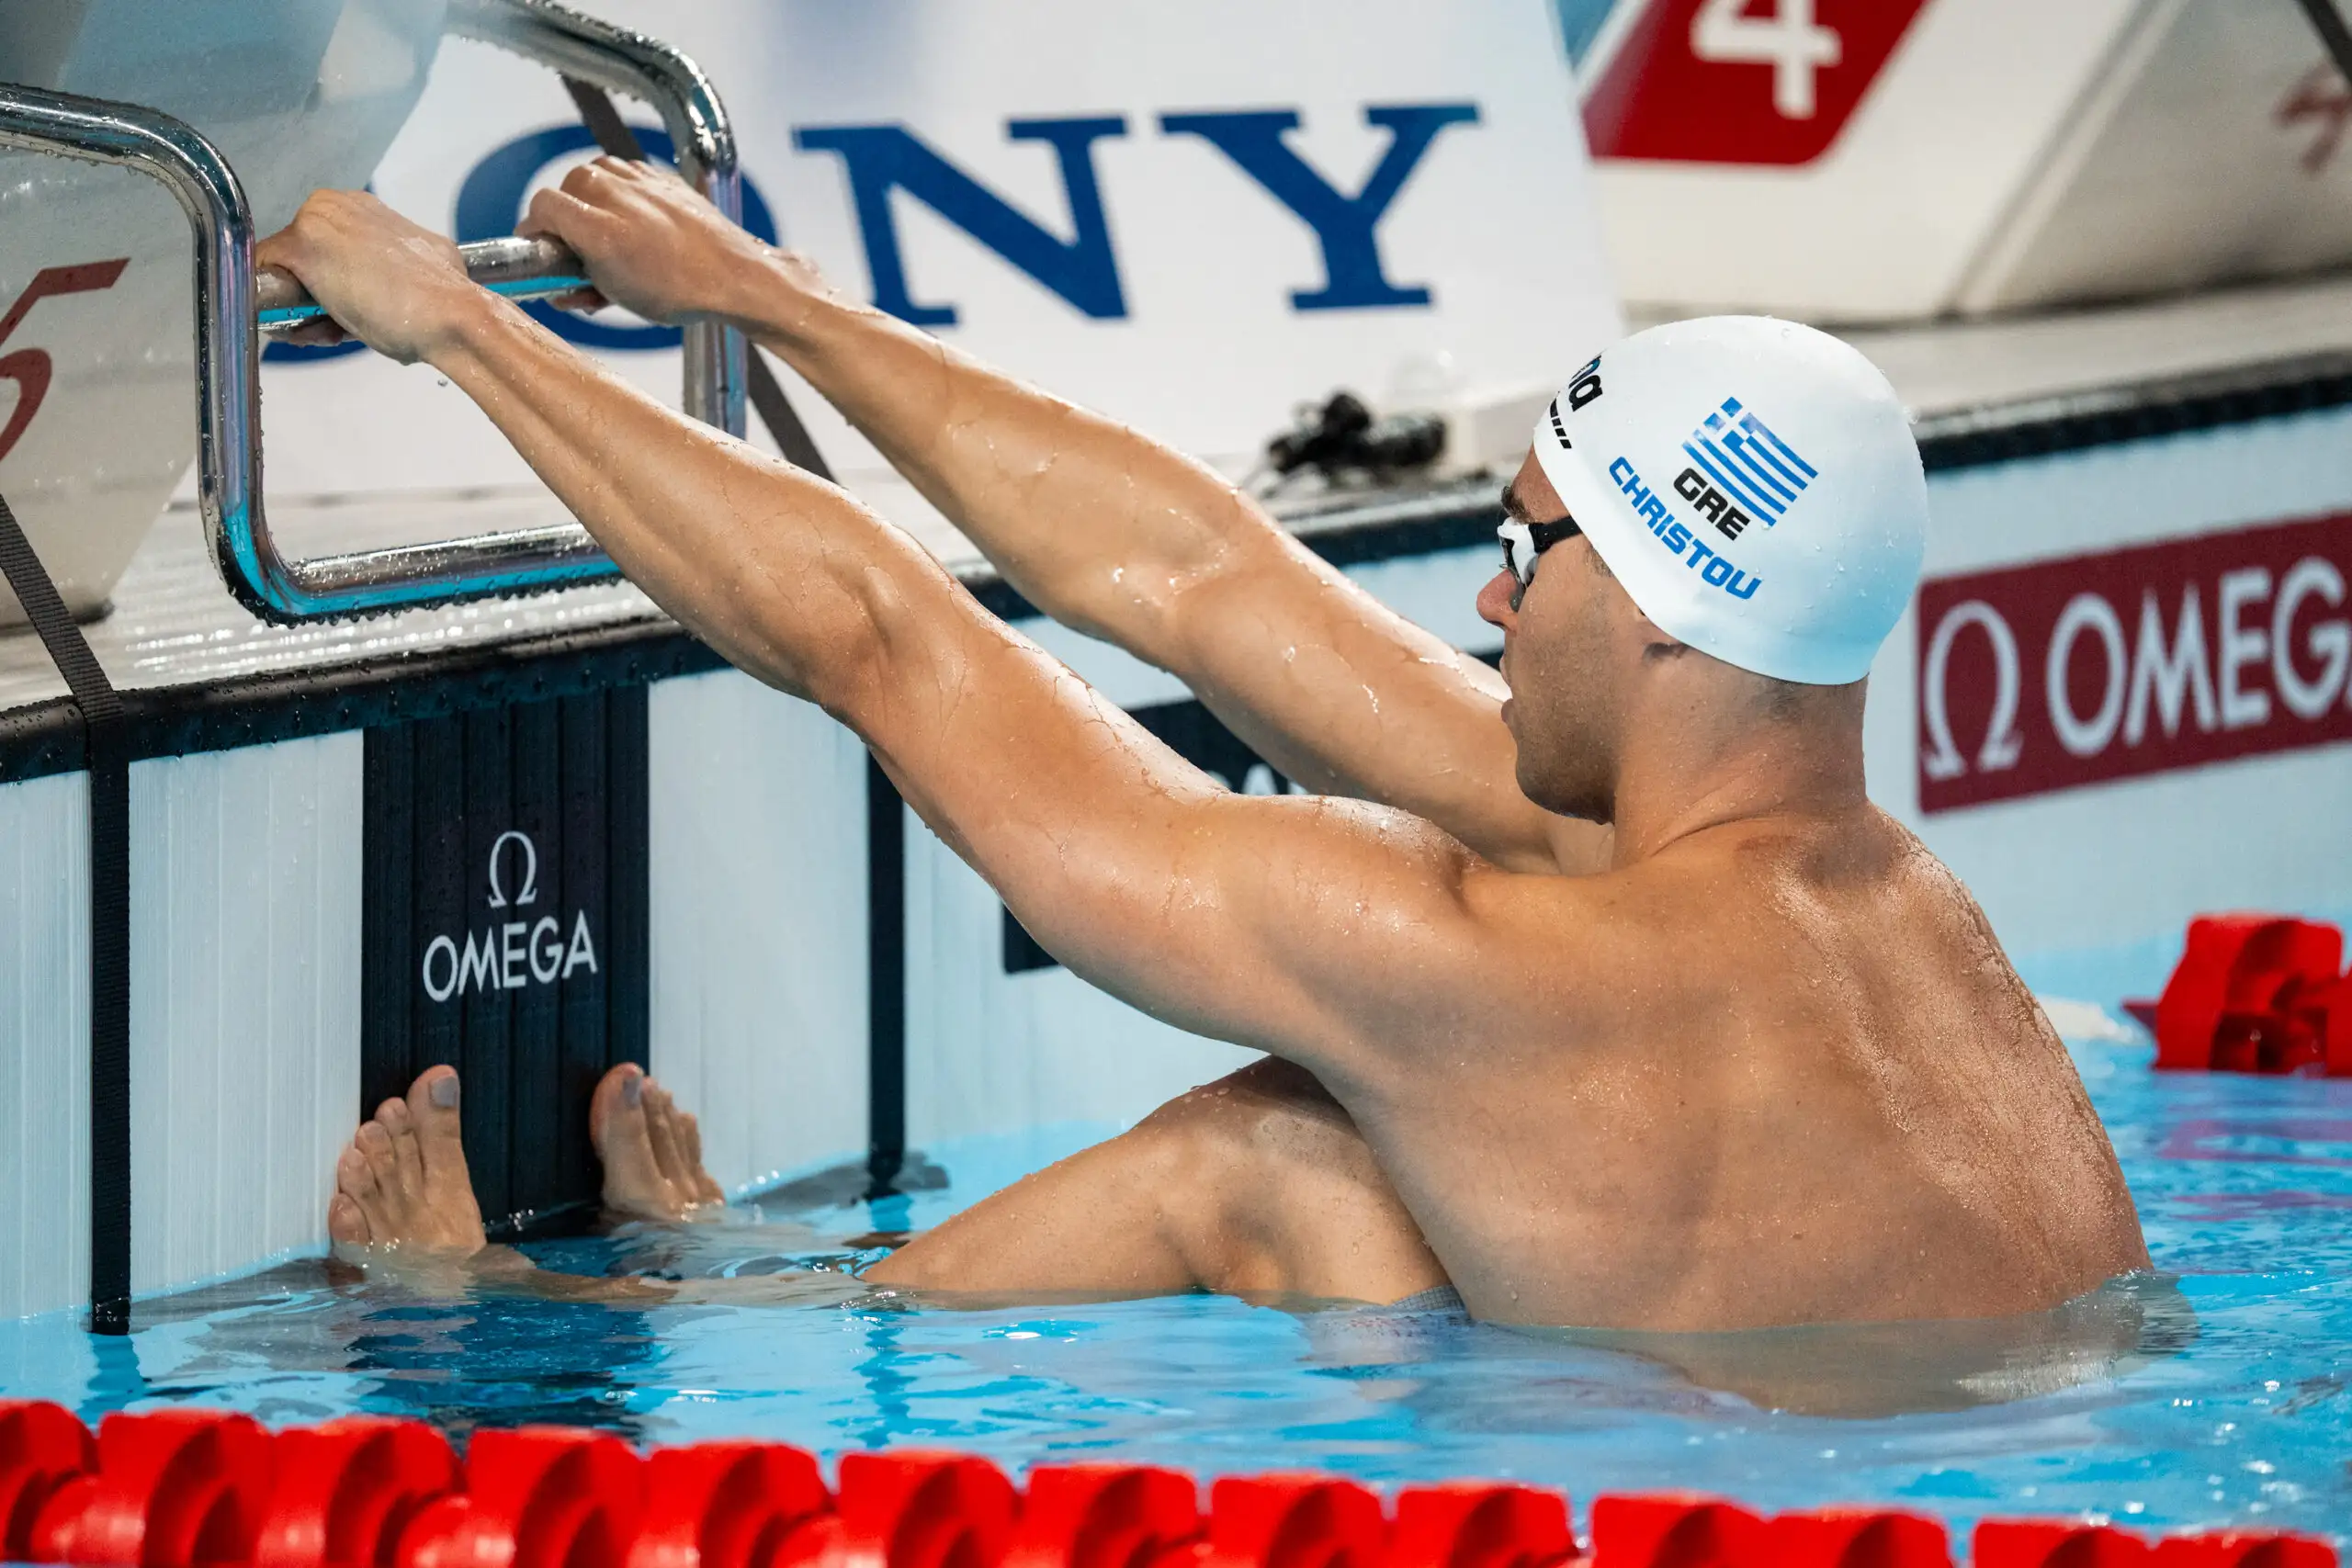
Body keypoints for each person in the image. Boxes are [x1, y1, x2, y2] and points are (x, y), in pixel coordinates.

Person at [287, 159, 2149, 1330]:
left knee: (1274, 1137)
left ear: (1663, 602)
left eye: (1523, 550)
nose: (1486, 602)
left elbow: (880, 642)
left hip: (1691, 1501)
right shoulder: (1902, 918)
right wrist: (765, 299)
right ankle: (728, 1280)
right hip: (1909, 1474)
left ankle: (523, 1305)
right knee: (1289, 1164)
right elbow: (1202, 579)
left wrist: (460, 328)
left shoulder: (1497, 971)